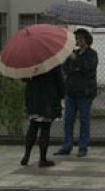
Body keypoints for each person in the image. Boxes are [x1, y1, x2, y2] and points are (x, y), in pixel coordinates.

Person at [55, 29, 98, 158]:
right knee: (68, 120)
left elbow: (87, 68)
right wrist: (75, 67)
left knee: (84, 120)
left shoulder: (92, 54)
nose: (78, 41)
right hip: (71, 91)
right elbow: (66, 69)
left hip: (85, 92)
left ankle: (83, 147)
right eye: (77, 39)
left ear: (86, 40)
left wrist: (77, 61)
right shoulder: (72, 53)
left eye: (80, 38)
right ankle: (67, 145)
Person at [21, 66, 65, 168]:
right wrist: (62, 95)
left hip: (33, 97)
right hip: (47, 99)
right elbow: (59, 81)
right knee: (45, 128)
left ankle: (26, 156)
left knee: (33, 126)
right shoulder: (52, 63)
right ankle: (42, 159)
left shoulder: (30, 62)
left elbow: (24, 78)